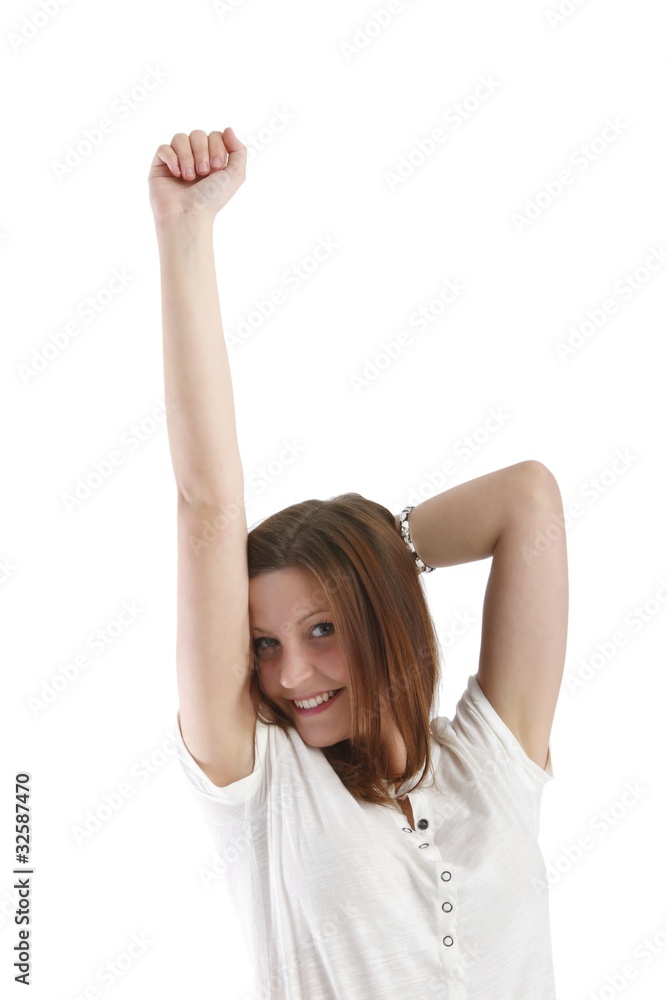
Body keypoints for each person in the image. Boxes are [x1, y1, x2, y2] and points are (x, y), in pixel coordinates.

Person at [148, 128, 569, 1000]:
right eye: (262, 644)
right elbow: (208, 507)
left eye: (323, 628)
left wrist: (378, 553)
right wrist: (185, 233)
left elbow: (526, 500)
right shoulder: (267, 791)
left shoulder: (486, 765)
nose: (291, 672)